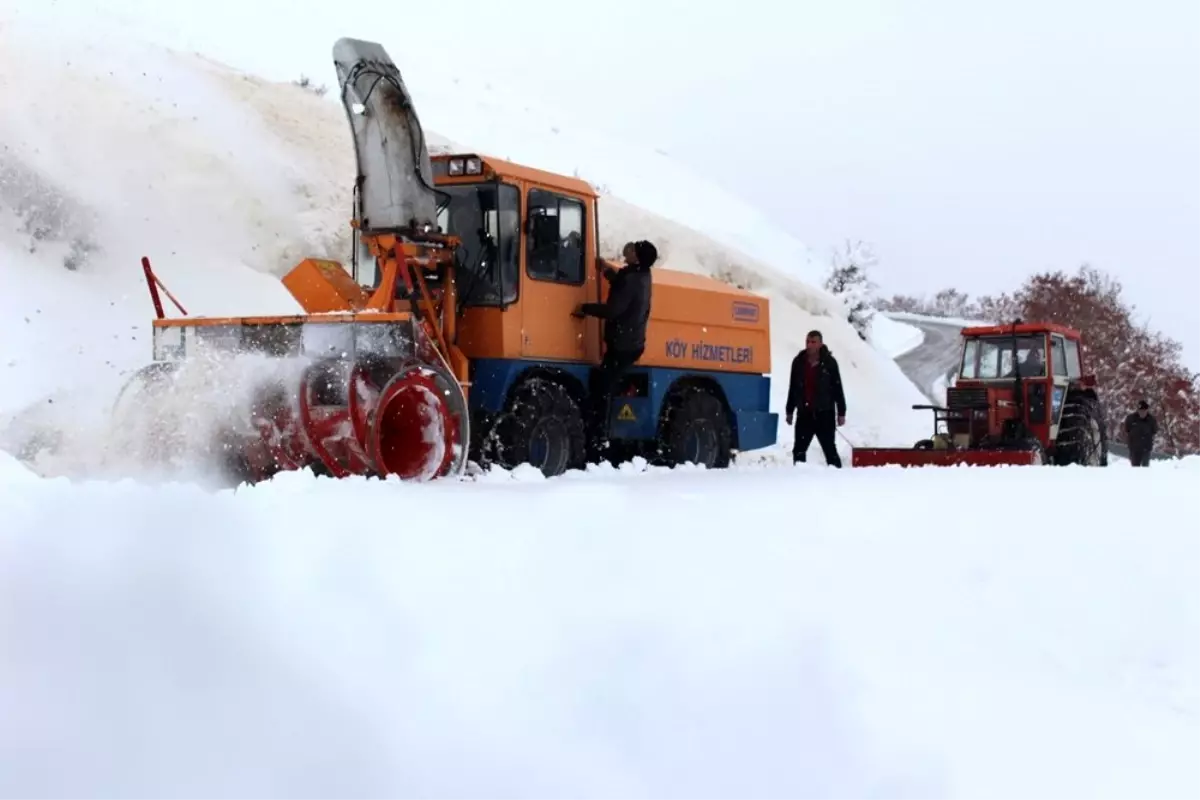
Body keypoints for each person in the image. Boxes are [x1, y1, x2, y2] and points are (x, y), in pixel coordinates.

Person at [575, 239, 657, 451]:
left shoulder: (632, 279)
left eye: (633, 248)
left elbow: (613, 309)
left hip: (623, 346)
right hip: (629, 343)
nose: (628, 248)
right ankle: (601, 434)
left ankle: (599, 438)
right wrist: (606, 271)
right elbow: (622, 284)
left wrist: (585, 308)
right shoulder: (639, 275)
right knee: (605, 384)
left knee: (602, 387)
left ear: (637, 257)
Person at [785, 330, 846, 467]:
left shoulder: (829, 363)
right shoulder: (799, 362)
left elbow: (837, 388)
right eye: (807, 342)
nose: (809, 345)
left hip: (824, 413)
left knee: (830, 450)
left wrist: (841, 412)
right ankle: (800, 477)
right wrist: (789, 410)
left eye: (813, 342)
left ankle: (838, 477)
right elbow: (793, 387)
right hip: (804, 413)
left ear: (820, 344)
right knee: (799, 450)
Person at [1123, 400, 1157, 467]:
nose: (1142, 413)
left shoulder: (1151, 420)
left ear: (1147, 410)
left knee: (1145, 467)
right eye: (1140, 411)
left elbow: (1154, 431)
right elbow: (1127, 430)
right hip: (1134, 448)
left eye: (1144, 411)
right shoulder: (1131, 418)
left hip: (1146, 448)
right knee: (1135, 467)